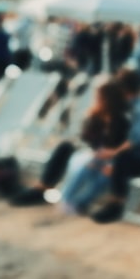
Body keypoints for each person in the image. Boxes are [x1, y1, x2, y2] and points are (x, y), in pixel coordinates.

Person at [89, 68, 140, 223]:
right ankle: (79, 200)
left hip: (139, 160)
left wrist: (111, 154)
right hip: (123, 156)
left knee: (121, 159)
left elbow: (135, 140)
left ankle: (116, 204)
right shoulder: (128, 106)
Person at [57, 81, 132, 215]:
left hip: (113, 159)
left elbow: (126, 146)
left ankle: (78, 203)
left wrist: (109, 156)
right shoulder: (93, 117)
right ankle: (67, 200)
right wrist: (96, 154)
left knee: (105, 174)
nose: (97, 99)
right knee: (88, 164)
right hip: (91, 155)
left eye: (100, 96)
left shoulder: (122, 120)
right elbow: (84, 140)